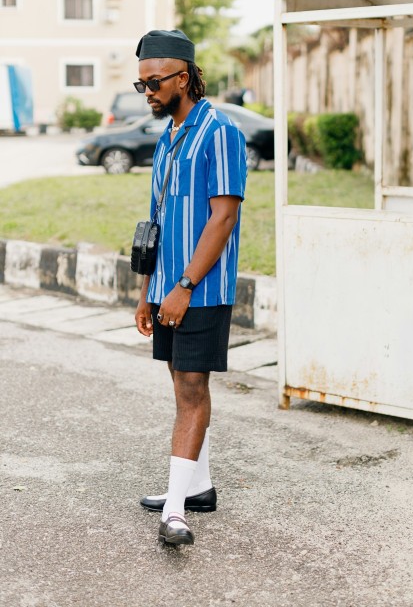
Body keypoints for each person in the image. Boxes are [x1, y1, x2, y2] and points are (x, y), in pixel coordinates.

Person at [133, 29, 247, 547]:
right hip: (168, 287)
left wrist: (182, 285)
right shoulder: (167, 139)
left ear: (184, 77)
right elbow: (157, 220)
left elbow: (222, 218)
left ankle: (176, 510)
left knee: (193, 389)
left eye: (154, 82)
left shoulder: (220, 132)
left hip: (200, 289)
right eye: (142, 85)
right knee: (181, 383)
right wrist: (148, 291)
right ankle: (197, 486)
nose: (149, 92)